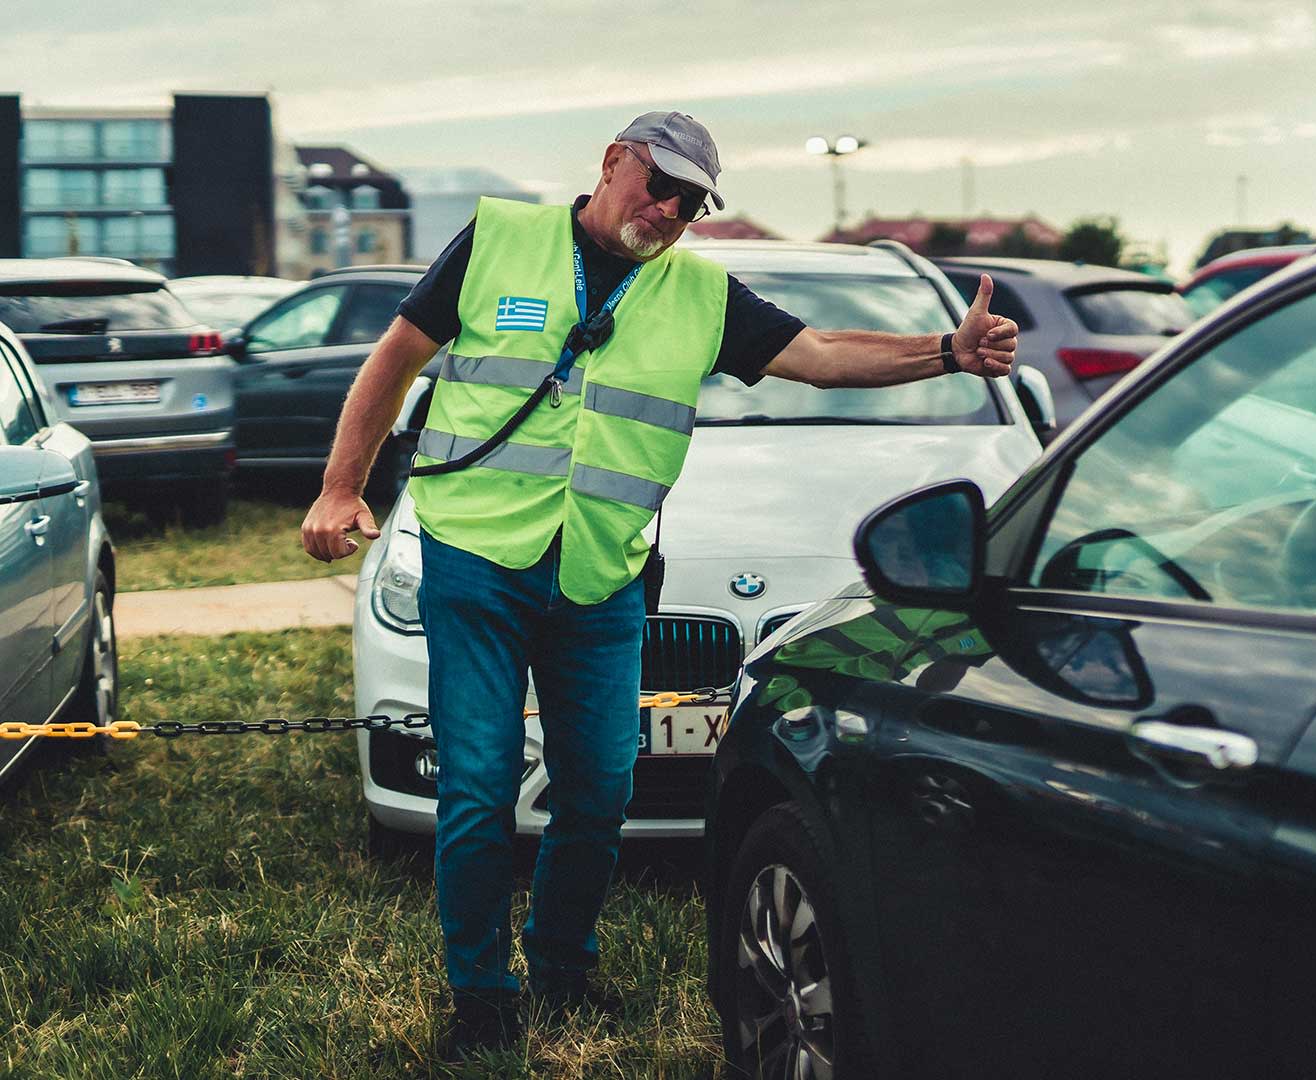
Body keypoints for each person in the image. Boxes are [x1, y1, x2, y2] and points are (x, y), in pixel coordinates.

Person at [298, 110, 1016, 1058]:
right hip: (477, 560)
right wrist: (340, 486)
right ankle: (480, 992)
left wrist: (948, 352)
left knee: (600, 786)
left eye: (690, 200)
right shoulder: (500, 240)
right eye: (658, 183)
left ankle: (560, 964)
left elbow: (822, 357)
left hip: (601, 575)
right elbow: (394, 360)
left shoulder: (700, 295)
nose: (670, 208)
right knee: (477, 787)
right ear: (612, 163)